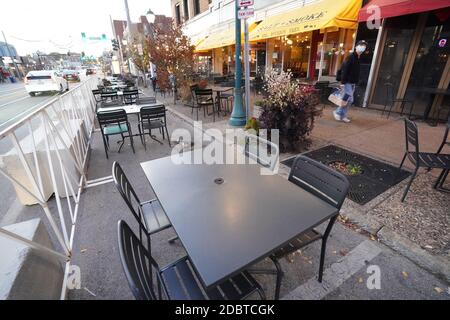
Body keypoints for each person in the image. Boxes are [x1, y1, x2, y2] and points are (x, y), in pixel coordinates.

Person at [333, 40, 368, 123]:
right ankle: (338, 112)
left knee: (347, 100)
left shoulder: (358, 58)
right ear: (356, 46)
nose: (362, 47)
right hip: (347, 82)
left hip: (352, 82)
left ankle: (342, 115)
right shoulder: (350, 57)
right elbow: (344, 70)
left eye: (364, 46)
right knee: (349, 99)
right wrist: (342, 82)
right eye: (361, 45)